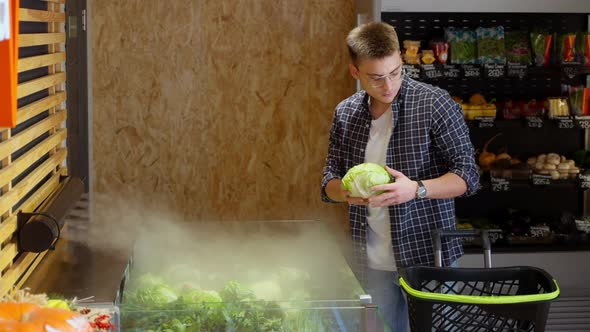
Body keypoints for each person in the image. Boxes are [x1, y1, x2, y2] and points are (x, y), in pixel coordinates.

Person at [321, 22, 479, 331]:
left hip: (429, 259)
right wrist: (344, 193)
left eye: (395, 73)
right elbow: (329, 178)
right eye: (377, 78)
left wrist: (416, 190)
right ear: (355, 72)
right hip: (371, 263)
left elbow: (467, 175)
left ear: (400, 61)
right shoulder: (346, 113)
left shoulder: (435, 103)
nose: (389, 85)